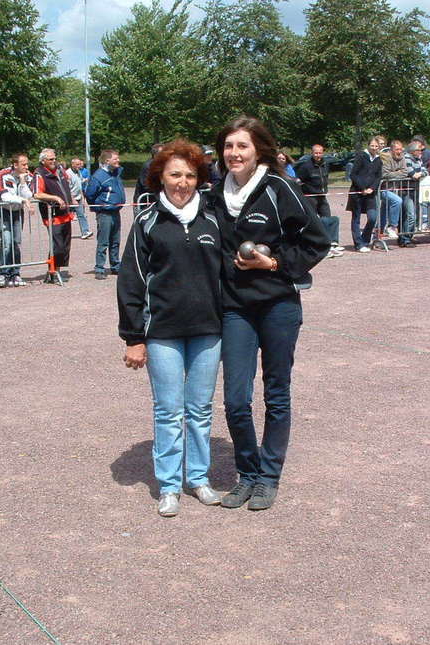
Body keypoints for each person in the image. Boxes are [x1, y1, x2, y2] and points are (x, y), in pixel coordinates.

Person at [207, 116, 329, 511]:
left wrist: (274, 264)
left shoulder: (279, 188)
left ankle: (268, 477)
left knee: (276, 394)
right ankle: (248, 472)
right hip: (236, 309)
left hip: (278, 305)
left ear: (258, 149)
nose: (234, 154)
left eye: (242, 146)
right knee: (235, 399)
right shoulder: (213, 195)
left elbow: (317, 241)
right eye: (228, 146)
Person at [117, 140, 223, 517]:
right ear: (160, 177)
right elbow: (131, 281)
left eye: (190, 175)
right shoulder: (147, 223)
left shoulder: (214, 218)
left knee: (200, 410)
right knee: (168, 411)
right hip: (162, 331)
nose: (183, 182)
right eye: (175, 174)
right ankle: (169, 484)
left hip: (208, 331)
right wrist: (134, 337)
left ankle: (198, 478)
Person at [32, 148, 74, 282]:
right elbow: (37, 194)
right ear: (43, 161)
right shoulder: (39, 173)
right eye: (50, 159)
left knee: (65, 245)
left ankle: (57, 271)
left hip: (66, 213)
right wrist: (55, 198)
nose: (54, 161)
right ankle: (53, 271)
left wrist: (72, 197)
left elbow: (67, 185)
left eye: (54, 158)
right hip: (52, 215)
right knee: (57, 245)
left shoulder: (60, 169)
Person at [296, 144, 344, 258]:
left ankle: (330, 244)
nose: (318, 155)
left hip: (322, 196)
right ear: (312, 153)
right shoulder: (306, 166)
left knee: (328, 219)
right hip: (310, 197)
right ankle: (311, 245)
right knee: (312, 221)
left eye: (320, 153)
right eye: (316, 153)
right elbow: (298, 180)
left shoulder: (325, 164)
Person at [86, 149, 125, 280]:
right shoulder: (98, 176)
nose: (118, 161)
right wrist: (100, 205)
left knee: (116, 241)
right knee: (103, 241)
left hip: (116, 211)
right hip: (104, 213)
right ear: (107, 161)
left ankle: (115, 265)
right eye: (115, 159)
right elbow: (90, 194)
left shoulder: (116, 173)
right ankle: (100, 268)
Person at [0, 154, 33, 287]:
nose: (26, 167)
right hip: (4, 211)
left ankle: (15, 273)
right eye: (23, 164)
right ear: (15, 165)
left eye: (27, 164)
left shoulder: (28, 175)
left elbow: (29, 195)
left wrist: (23, 183)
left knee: (16, 242)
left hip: (17, 212)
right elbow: (4, 195)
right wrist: (22, 200)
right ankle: (3, 273)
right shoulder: (3, 174)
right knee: (6, 242)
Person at [347, 135, 384, 252]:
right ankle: (358, 244)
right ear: (368, 146)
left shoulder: (379, 160)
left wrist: (372, 188)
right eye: (372, 146)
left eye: (376, 146)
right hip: (357, 192)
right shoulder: (361, 157)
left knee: (372, 218)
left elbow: (378, 177)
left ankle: (365, 240)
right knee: (356, 218)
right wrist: (362, 188)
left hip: (370, 194)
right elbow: (353, 174)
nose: (374, 148)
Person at [381, 141, 417, 245]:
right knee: (396, 202)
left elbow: (405, 172)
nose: (399, 152)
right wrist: (399, 173)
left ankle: (404, 238)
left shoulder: (403, 159)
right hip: (385, 189)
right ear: (391, 150)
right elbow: (385, 174)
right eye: (397, 149)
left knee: (408, 214)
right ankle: (392, 226)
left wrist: (396, 173)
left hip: (399, 189)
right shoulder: (386, 159)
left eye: (401, 149)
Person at [134, 143, 163, 215]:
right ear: (156, 155)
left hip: (155, 200)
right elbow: (146, 185)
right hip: (145, 202)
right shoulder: (148, 166)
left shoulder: (162, 165)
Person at [67, 158, 93, 239]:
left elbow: (79, 185)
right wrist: (73, 199)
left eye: (80, 164)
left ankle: (85, 232)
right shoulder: (68, 173)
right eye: (77, 165)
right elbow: (67, 188)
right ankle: (64, 234)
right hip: (70, 198)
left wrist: (82, 198)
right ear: (73, 164)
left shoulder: (78, 172)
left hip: (78, 197)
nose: (80, 166)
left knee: (81, 215)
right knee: (67, 217)